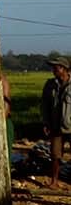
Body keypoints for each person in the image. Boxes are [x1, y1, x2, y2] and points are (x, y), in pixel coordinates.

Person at [41, 56, 71, 187]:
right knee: (55, 155)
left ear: (64, 69)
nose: (54, 70)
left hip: (70, 125)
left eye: (56, 67)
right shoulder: (50, 85)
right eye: (53, 67)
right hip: (56, 125)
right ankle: (54, 181)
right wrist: (46, 122)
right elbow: (44, 105)